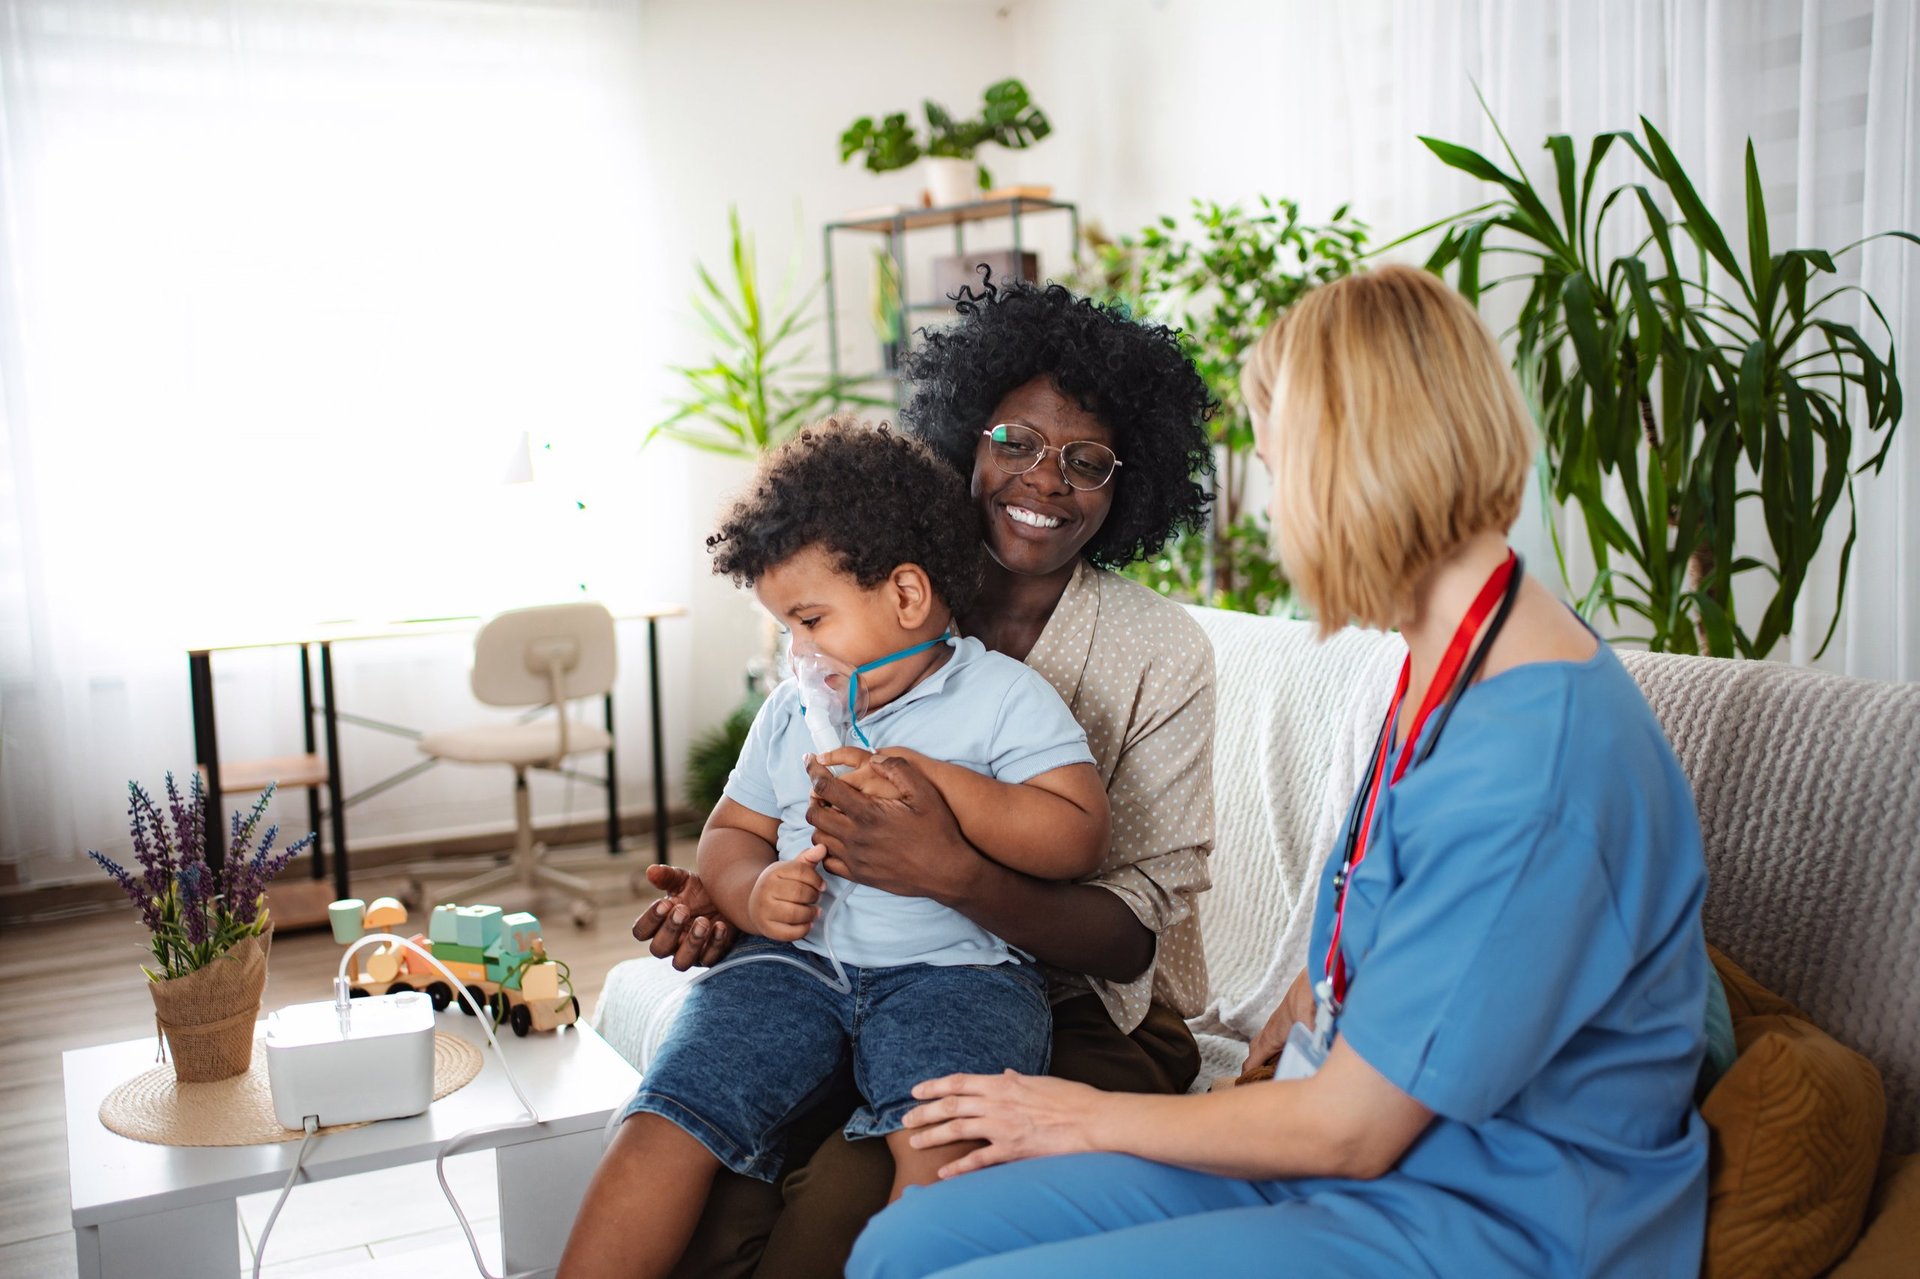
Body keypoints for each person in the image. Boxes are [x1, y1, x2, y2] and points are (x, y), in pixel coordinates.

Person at [848, 265, 1710, 1278]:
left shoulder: (1531, 761)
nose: (1273, 516)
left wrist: (1081, 1114)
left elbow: (1353, 1130)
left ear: (1350, 468)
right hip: (1346, 1146)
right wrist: (1313, 984)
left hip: (1478, 1213)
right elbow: (1414, 906)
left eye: (1279, 468)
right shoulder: (1451, 649)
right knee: (910, 1242)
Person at [615, 278, 1221, 1277]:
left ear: (1128, 481)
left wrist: (952, 872)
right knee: (710, 1201)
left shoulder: (1161, 651)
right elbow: (770, 811)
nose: (1045, 478)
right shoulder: (857, 603)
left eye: (1088, 461)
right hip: (853, 967)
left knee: (838, 1211)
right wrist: (739, 897)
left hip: (1079, 1009)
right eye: (1015, 440)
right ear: (965, 437)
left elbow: (1129, 940)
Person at [558, 422, 1115, 1277]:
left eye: (812, 619)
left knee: (945, 1145)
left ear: (905, 596)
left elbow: (1076, 831)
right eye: (785, 626)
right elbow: (730, 832)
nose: (799, 651)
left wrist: (934, 783)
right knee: (669, 1112)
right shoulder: (790, 713)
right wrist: (751, 894)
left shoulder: (1002, 698)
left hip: (956, 975)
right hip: (794, 966)